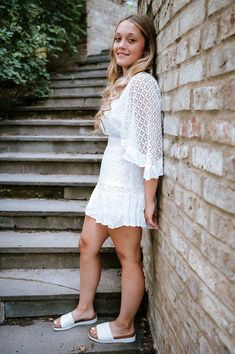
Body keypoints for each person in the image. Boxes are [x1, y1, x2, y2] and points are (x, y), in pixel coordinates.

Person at [53, 14, 163, 344]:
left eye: (131, 39)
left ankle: (125, 325)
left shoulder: (144, 83)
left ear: (146, 46)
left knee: (129, 257)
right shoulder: (123, 81)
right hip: (107, 181)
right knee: (87, 244)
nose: (121, 45)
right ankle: (85, 307)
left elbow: (151, 144)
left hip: (128, 183)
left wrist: (149, 197)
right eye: (118, 38)